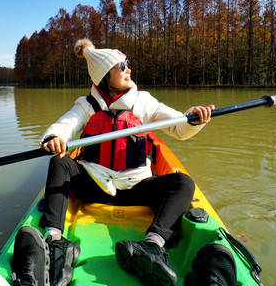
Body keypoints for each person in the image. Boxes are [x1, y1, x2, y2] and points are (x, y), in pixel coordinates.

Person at [36, 39, 215, 286]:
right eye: (122, 65)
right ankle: (55, 242)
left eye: (127, 63)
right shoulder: (86, 105)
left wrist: (193, 119)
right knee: (60, 163)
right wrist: (55, 137)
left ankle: (152, 245)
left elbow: (178, 125)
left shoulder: (143, 101)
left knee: (184, 182)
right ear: (104, 76)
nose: (128, 68)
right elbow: (66, 124)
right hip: (95, 185)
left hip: (137, 187)